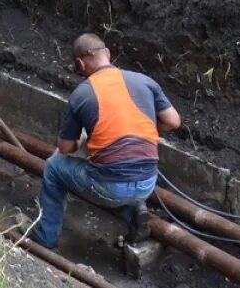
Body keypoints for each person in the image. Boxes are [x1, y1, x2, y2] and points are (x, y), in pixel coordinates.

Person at [29, 33, 181, 249]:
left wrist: (82, 139)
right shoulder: (144, 81)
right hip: (148, 182)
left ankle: (45, 237)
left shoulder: (82, 93)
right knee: (111, 172)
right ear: (108, 54)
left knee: (54, 166)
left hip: (110, 188)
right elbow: (173, 121)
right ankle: (135, 211)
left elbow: (64, 148)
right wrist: (145, 129)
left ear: (80, 64)